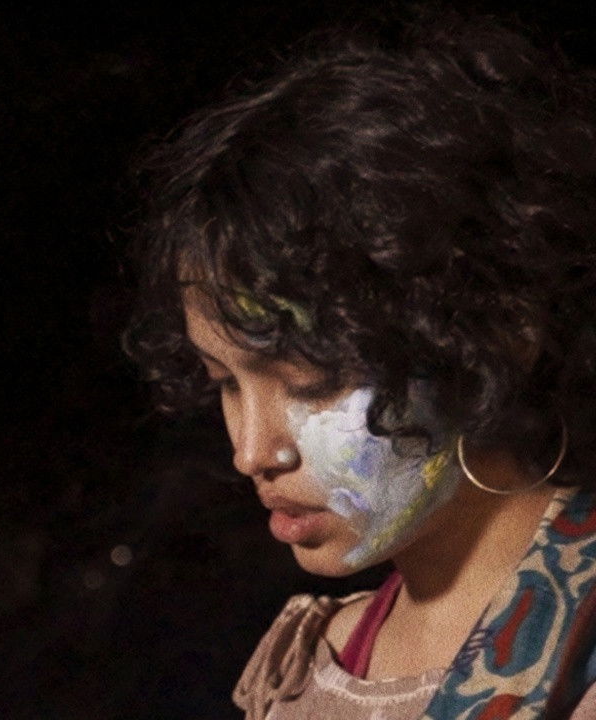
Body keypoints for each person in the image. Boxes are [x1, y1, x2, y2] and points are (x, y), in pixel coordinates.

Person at [127, 13, 596, 719]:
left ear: (496, 333)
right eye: (226, 382)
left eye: (310, 379)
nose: (251, 452)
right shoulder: (309, 666)